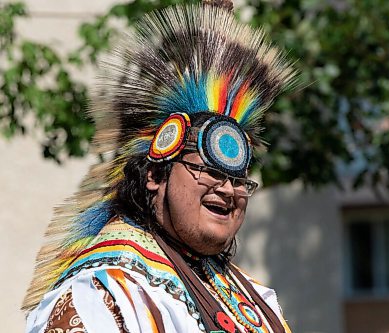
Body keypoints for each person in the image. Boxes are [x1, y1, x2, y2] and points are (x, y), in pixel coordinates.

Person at [22, 0, 297, 332]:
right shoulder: (105, 292)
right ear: (155, 175)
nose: (227, 190)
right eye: (209, 171)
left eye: (239, 181)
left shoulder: (253, 298)